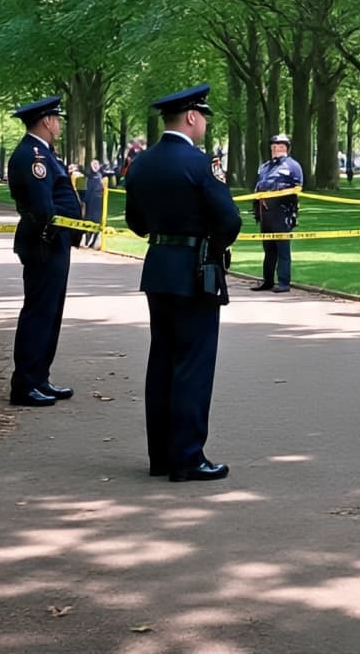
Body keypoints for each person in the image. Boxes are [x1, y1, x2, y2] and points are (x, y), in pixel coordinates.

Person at [124, 83, 242, 482]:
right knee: (193, 364)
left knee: (162, 362)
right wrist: (209, 244)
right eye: (204, 117)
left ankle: (160, 456)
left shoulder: (141, 164)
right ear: (191, 117)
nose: (205, 124)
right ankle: (187, 457)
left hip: (159, 267)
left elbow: (135, 223)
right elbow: (229, 220)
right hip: (196, 270)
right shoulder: (200, 163)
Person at [7, 95, 79, 408]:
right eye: (57, 119)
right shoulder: (33, 155)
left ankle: (39, 377)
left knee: (50, 313)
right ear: (47, 121)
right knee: (39, 313)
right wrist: (49, 235)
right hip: (44, 244)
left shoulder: (44, 153)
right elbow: (40, 205)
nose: (59, 124)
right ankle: (25, 383)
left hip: (54, 243)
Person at [250, 133, 302, 292]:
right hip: (265, 213)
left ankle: (284, 282)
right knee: (268, 249)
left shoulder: (293, 166)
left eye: (279, 147)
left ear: (286, 148)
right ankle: (267, 280)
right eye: (273, 147)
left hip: (282, 213)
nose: (276, 149)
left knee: (282, 250)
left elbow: (298, 187)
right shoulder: (265, 166)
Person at [81, 159, 106, 248]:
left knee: (96, 222)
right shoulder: (89, 177)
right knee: (89, 221)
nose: (95, 166)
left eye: (97, 164)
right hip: (90, 202)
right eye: (93, 164)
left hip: (97, 202)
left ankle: (93, 242)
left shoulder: (99, 177)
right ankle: (87, 242)